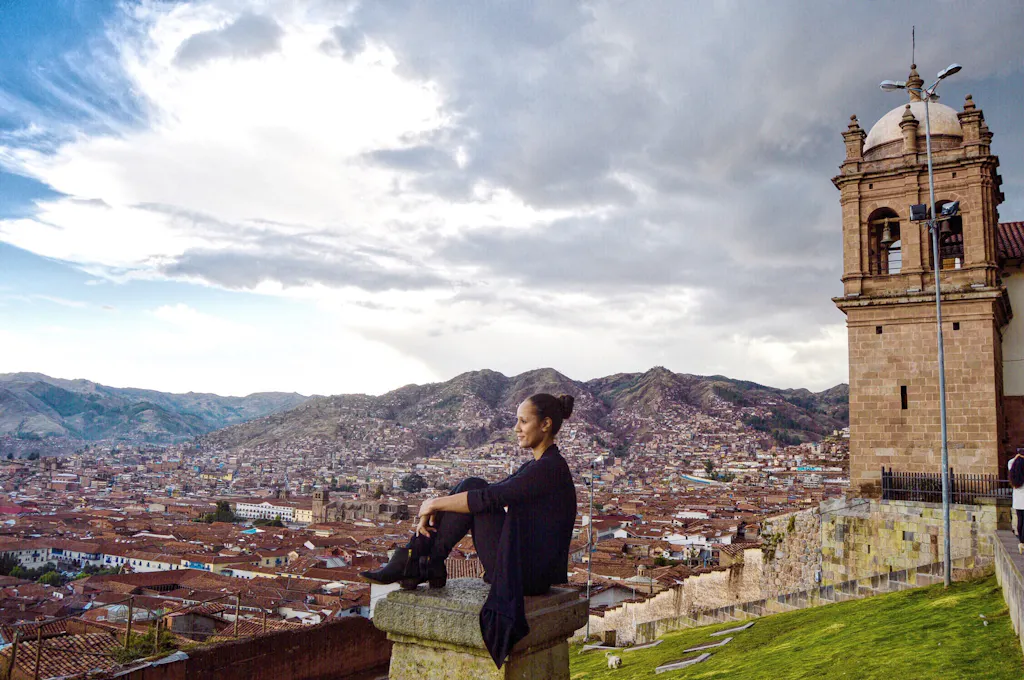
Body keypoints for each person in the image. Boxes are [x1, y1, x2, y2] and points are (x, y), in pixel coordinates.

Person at [361, 393, 578, 668]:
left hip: (528, 576)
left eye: (523, 421)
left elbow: (489, 498)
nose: (516, 428)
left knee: (474, 490)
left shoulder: (548, 468)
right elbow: (488, 492)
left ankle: (419, 560)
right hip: (529, 569)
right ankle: (425, 560)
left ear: (545, 424)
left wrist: (432, 503)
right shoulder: (541, 465)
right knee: (472, 484)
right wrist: (436, 506)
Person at [1009, 453, 1024, 553]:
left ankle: (1021, 542)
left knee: (1020, 521)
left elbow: (1010, 462)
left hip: (1018, 502)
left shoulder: (1013, 472)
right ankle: (1023, 541)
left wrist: (1016, 457)